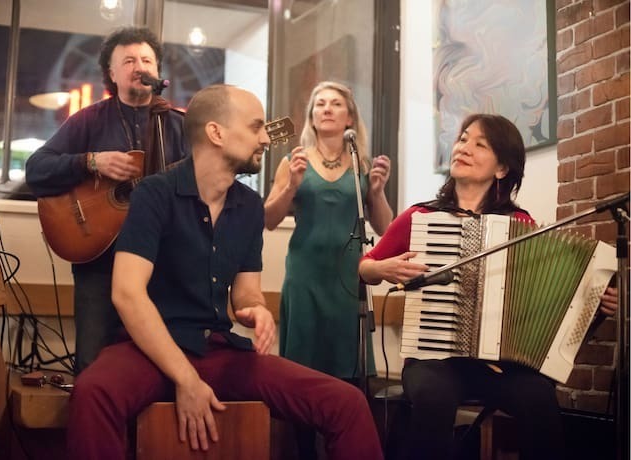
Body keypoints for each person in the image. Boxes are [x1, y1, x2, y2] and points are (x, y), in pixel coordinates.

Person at [65, 84, 384, 460]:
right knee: (92, 393)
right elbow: (127, 294)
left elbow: (245, 293)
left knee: (345, 402)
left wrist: (256, 310)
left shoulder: (248, 206)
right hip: (149, 350)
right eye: (255, 127)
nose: (266, 137)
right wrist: (186, 380)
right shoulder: (154, 194)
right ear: (216, 133)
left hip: (218, 350)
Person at [358, 113, 619, 460]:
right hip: (433, 359)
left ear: (501, 169)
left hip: (499, 364)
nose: (464, 147)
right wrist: (381, 266)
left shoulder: (521, 224)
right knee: (433, 399)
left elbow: (547, 294)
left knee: (538, 398)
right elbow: (363, 269)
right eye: (463, 139)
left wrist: (595, 300)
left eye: (480, 144)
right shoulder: (420, 217)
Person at [25, 26, 188, 374]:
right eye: (129, 60)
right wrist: (91, 161)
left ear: (158, 72)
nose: (139, 66)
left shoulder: (178, 126)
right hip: (99, 259)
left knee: (155, 363)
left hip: (161, 261)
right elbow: (35, 169)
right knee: (93, 363)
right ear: (112, 74)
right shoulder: (89, 119)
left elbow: (199, 185)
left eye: (146, 60)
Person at [264, 81, 393, 379]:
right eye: (320, 104)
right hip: (305, 278)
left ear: (349, 117)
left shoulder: (362, 164)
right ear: (311, 117)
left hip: (349, 280)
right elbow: (268, 220)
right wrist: (291, 187)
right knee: (302, 370)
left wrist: (377, 192)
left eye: (335, 103)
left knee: (348, 370)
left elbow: (384, 226)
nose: (327, 109)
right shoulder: (293, 161)